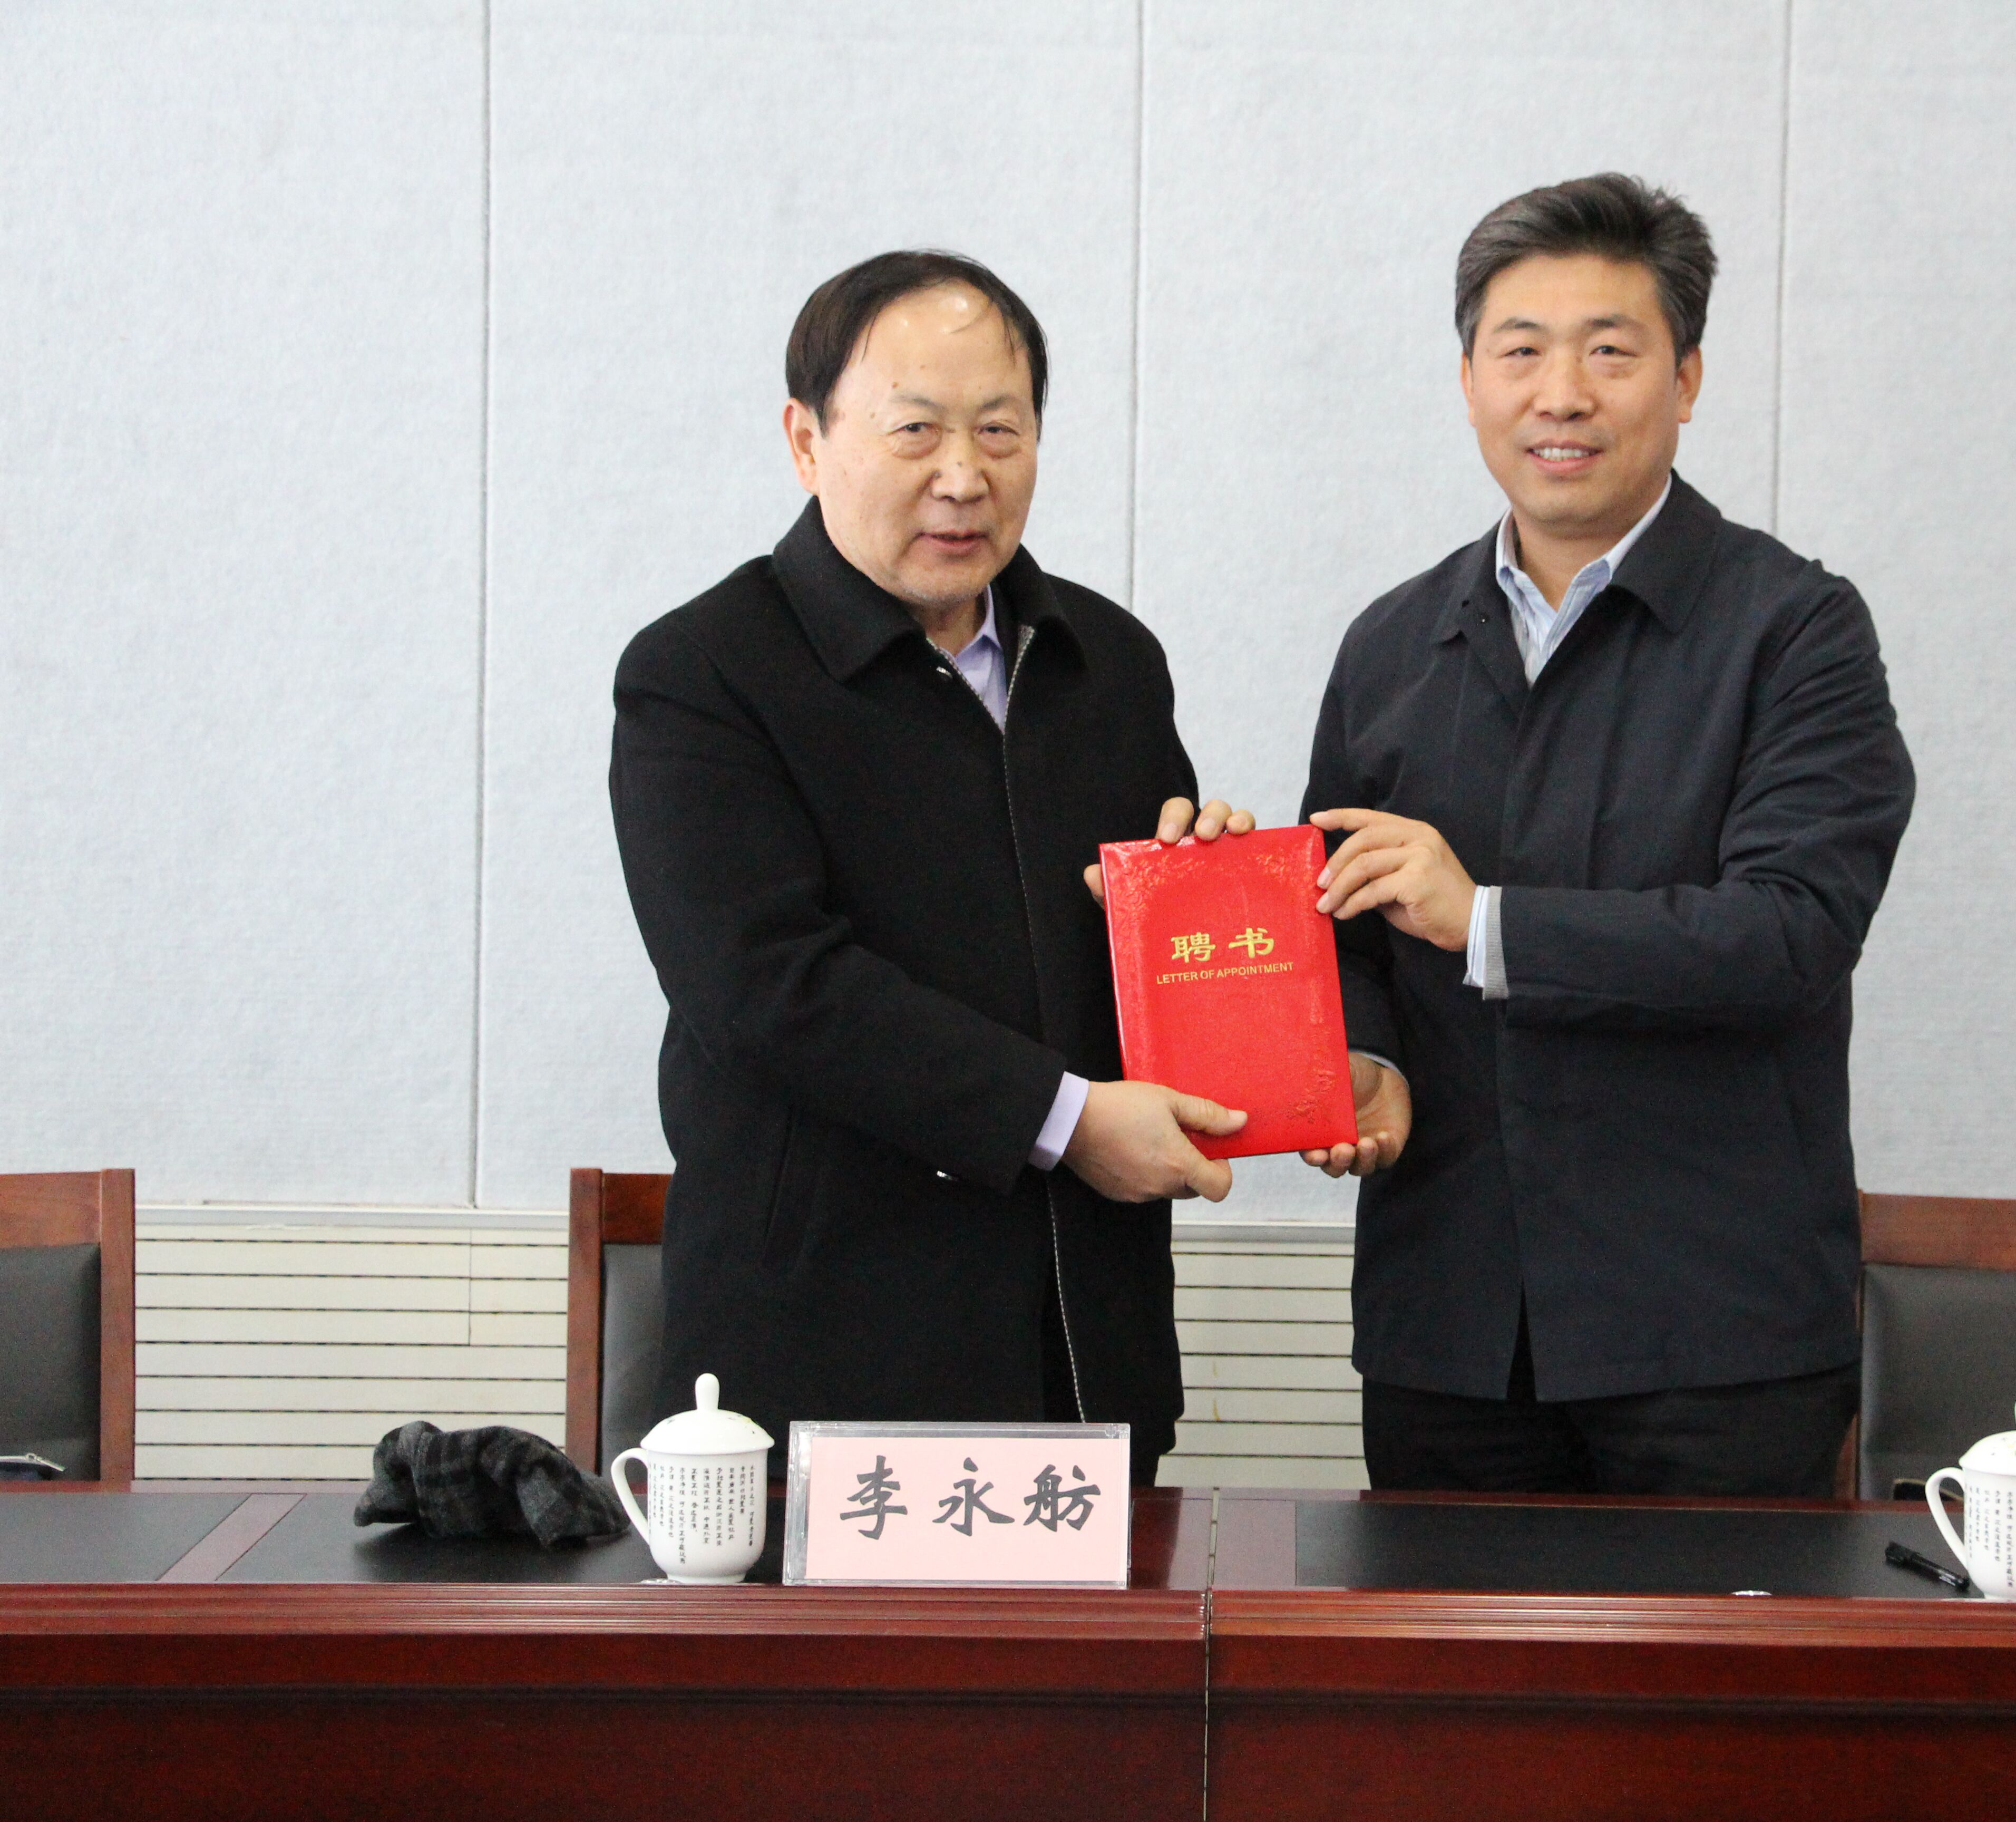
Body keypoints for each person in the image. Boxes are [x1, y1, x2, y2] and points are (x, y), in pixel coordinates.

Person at [1299, 174, 1915, 1495]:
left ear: (1686, 380)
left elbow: (1791, 933)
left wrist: (1487, 922)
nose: (1561, 395)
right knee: (1437, 1644)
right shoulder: (1392, 645)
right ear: (1469, 381)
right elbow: (1340, 925)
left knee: (1713, 1648)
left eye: (1610, 353)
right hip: (1449, 1330)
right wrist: (1358, 1057)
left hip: (1713, 1339)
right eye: (1520, 352)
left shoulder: (1795, 631)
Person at [611, 250, 1251, 1482]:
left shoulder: (1109, 662)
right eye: (916, 431)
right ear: (807, 441)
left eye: (1000, 430)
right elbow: (768, 988)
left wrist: (1204, 914)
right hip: (830, 1361)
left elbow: (1144, 976)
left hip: (1088, 1350)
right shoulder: (704, 673)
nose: (964, 476)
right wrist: (1066, 1122)